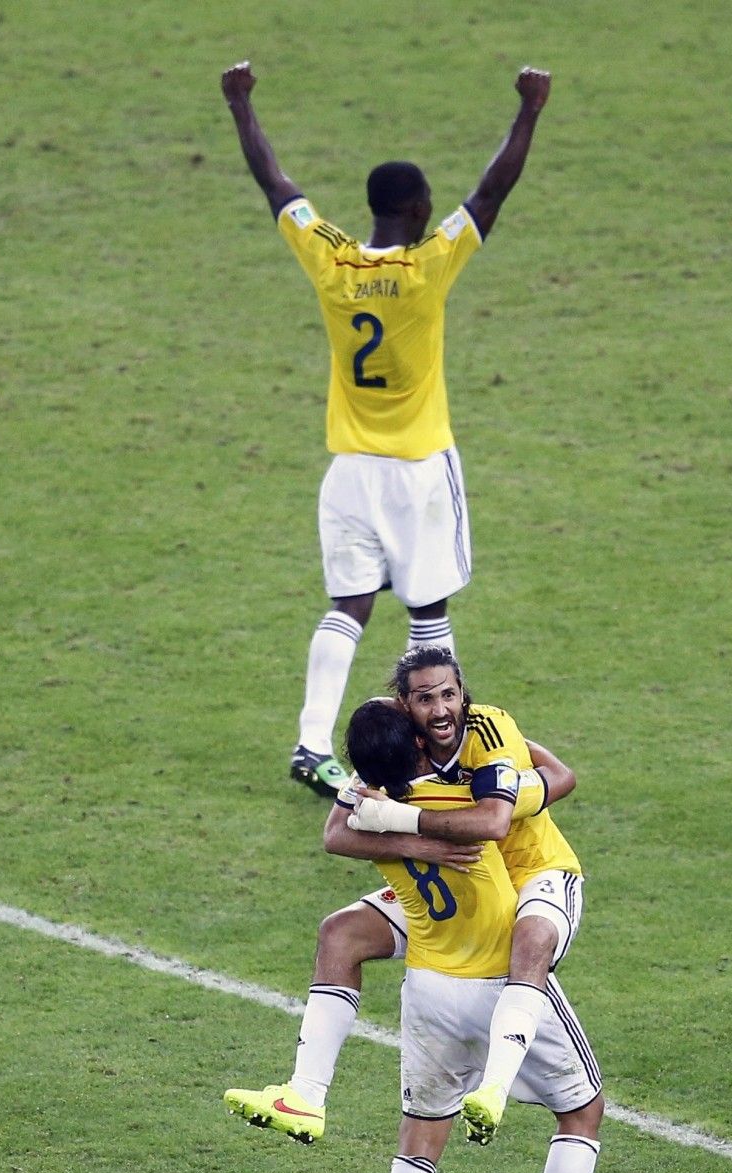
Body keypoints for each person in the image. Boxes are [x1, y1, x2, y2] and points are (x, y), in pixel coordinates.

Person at [221, 60, 552, 794]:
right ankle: (446, 747)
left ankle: (312, 743)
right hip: (416, 471)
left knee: (350, 606)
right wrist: (529, 110)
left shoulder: (332, 260)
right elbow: (493, 191)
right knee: (427, 607)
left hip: (348, 474)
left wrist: (241, 105)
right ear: (414, 208)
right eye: (429, 203)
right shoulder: (428, 266)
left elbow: (277, 186)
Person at [225, 647, 583, 1145]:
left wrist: (397, 820)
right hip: (470, 883)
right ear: (408, 709)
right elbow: (336, 834)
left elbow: (521, 803)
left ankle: (497, 1087)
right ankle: (305, 1095)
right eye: (424, 699)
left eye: (447, 696)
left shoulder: (484, 738)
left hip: (527, 875)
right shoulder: (388, 757)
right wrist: (421, 846)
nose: (439, 709)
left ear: (460, 695)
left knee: (529, 942)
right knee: (341, 933)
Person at [350, 700, 604, 1173]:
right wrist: (502, 750)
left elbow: (336, 832)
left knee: (420, 1135)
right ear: (414, 736)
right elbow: (519, 803)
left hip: (430, 986)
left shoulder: (370, 815)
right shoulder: (460, 807)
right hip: (501, 982)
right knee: (582, 1109)